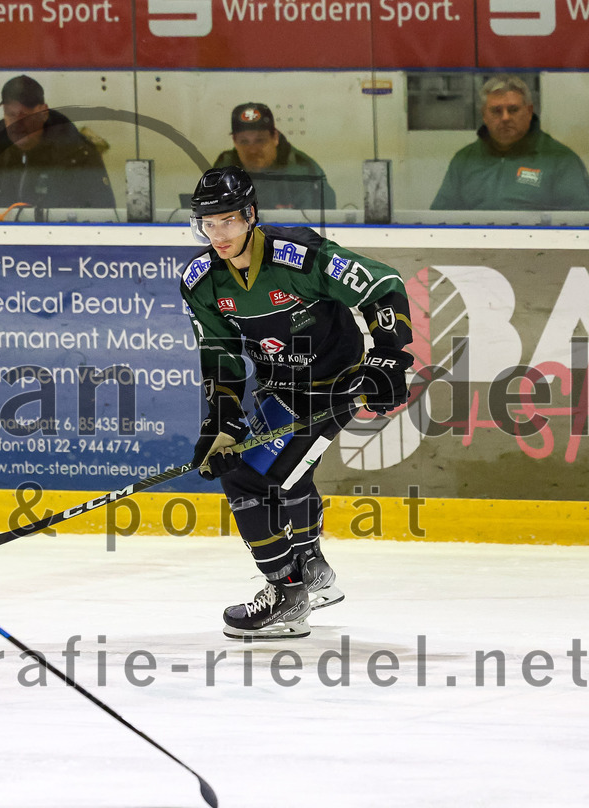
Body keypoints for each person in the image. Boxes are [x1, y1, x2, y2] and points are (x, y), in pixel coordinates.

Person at [181, 166, 413, 640]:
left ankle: (286, 593)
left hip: (334, 385)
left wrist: (389, 356)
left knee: (247, 478)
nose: (217, 234)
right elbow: (219, 350)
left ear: (250, 216)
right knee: (285, 473)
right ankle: (311, 570)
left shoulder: (299, 256)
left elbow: (382, 284)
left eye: (227, 220)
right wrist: (223, 415)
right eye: (207, 223)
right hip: (280, 389)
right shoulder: (201, 282)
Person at [431, 75, 589, 211]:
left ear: (528, 112)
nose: (505, 118)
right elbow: (440, 217)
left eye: (513, 110)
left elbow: (581, 222)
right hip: (476, 244)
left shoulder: (561, 160)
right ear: (484, 116)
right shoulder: (465, 159)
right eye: (496, 111)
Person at [0, 74, 115, 210]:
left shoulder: (78, 154)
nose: (17, 124)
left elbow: (103, 217)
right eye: (11, 115)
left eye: (24, 115)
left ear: (43, 113)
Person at [212, 103, 336, 211]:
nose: (253, 150)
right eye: (244, 142)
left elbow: (321, 224)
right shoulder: (224, 170)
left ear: (275, 137)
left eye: (260, 140)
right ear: (234, 141)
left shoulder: (302, 169)